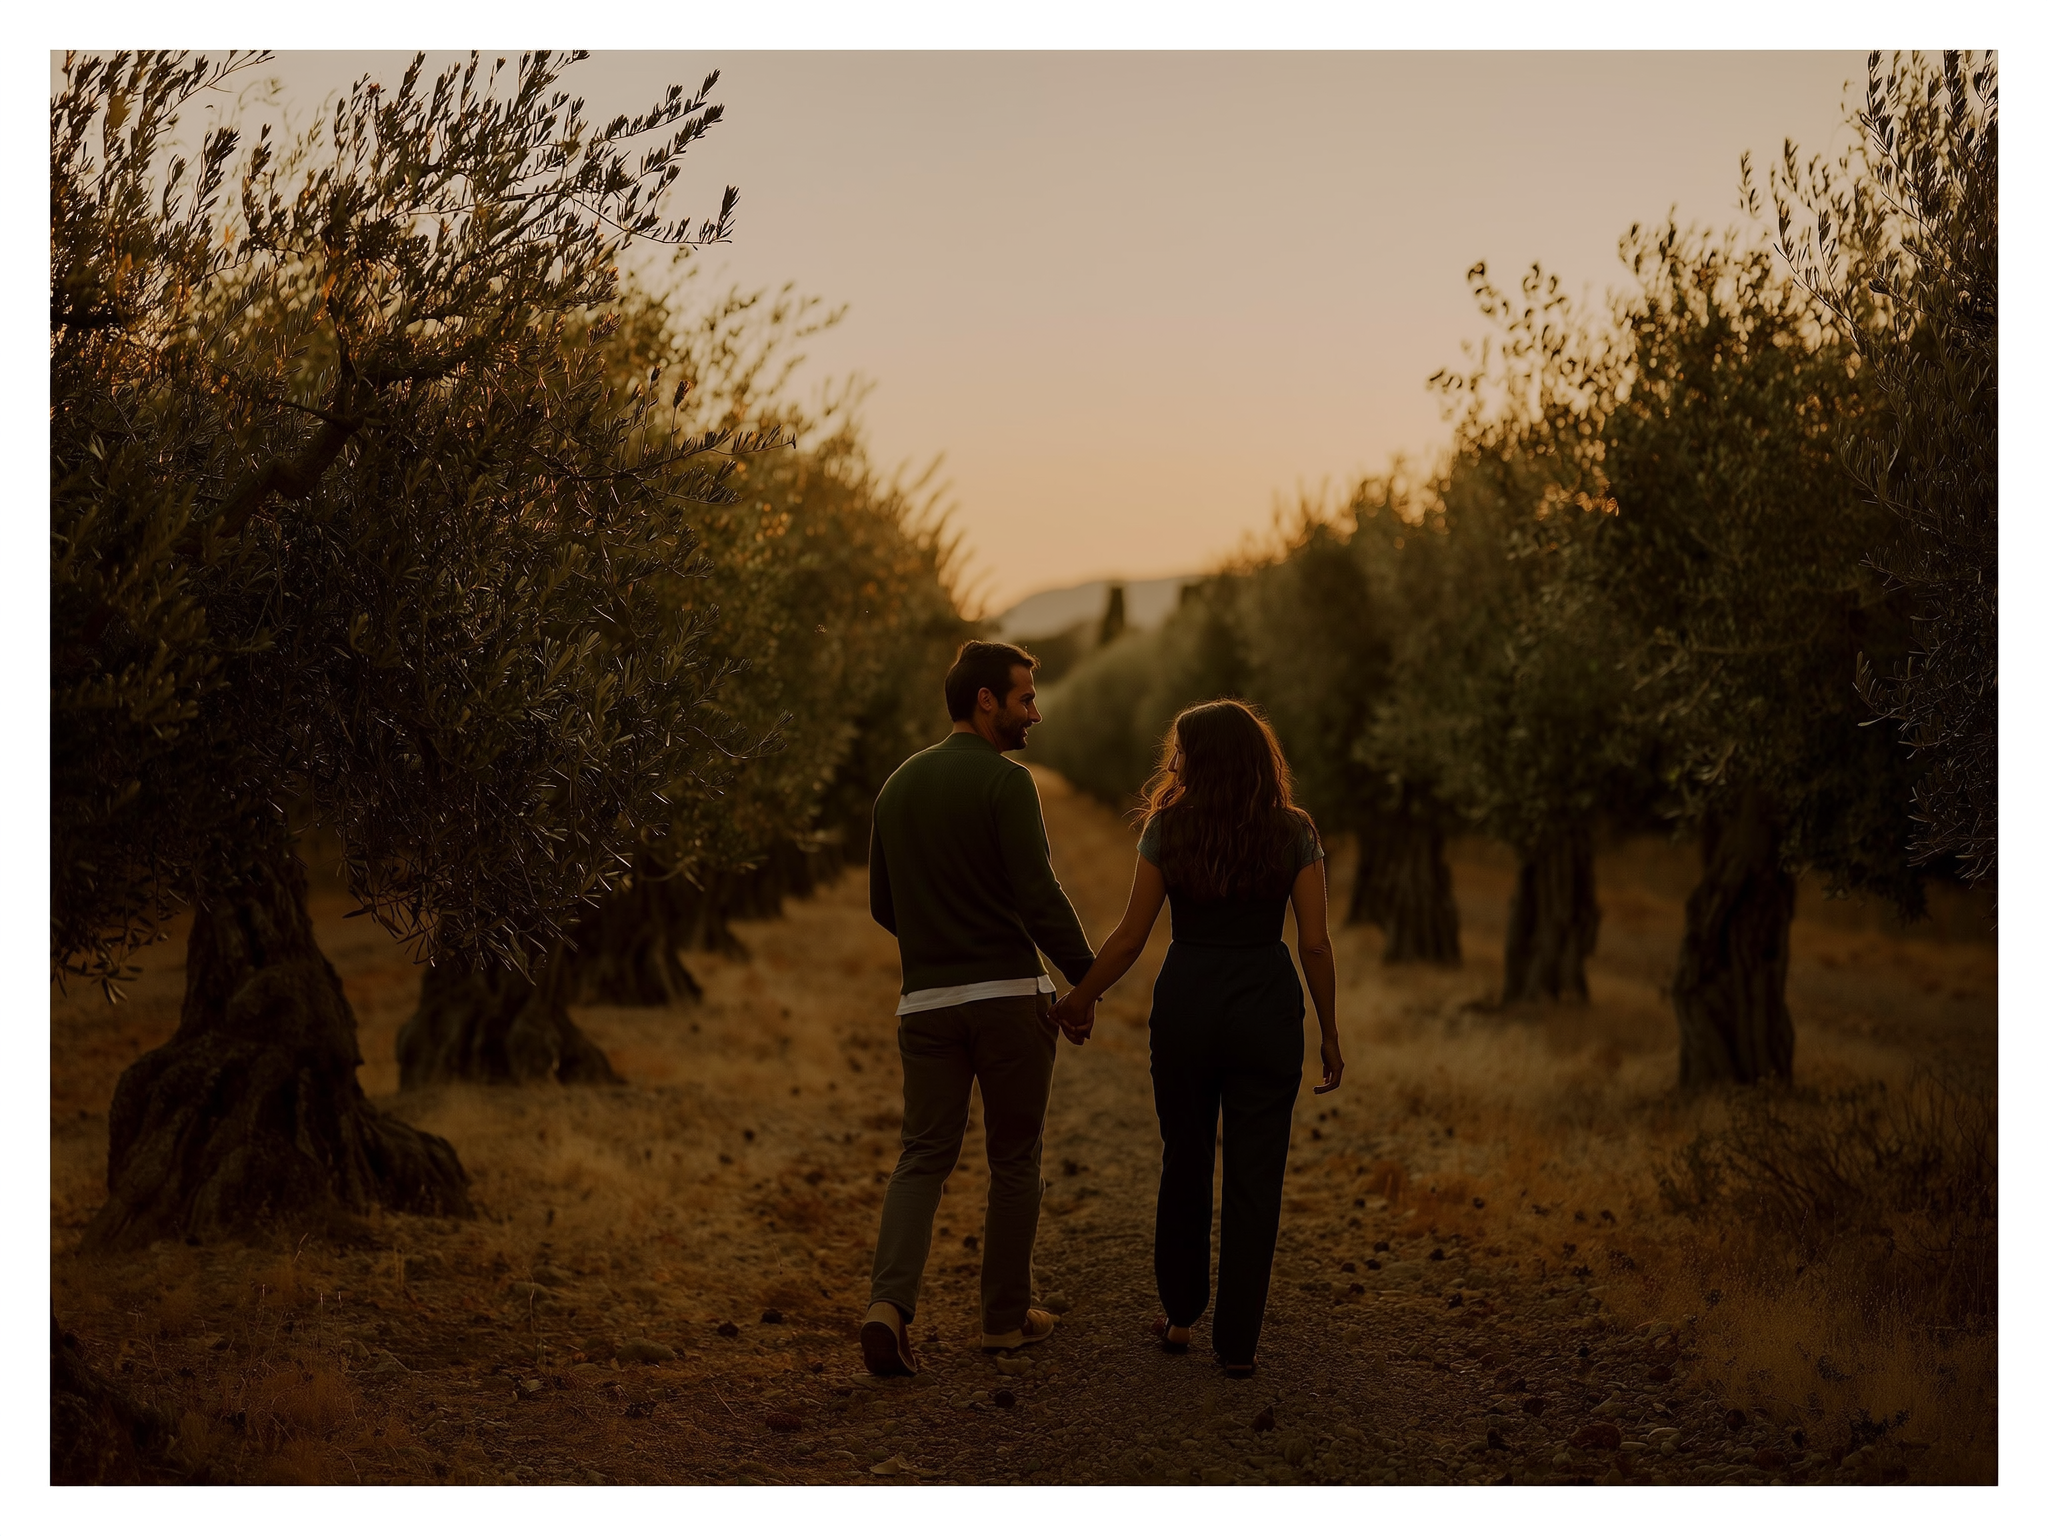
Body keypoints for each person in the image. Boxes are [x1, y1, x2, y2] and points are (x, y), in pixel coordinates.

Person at [1051, 699, 1341, 1378]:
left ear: (1202, 757)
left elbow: (1129, 938)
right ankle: (1237, 1343)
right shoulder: (1295, 830)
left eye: (1179, 749)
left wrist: (1077, 1001)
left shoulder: (1167, 829)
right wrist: (1329, 1031)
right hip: (1267, 1008)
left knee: (1184, 1158)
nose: (1171, 760)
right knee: (1255, 1175)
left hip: (1186, 1005)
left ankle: (1181, 1317)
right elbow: (1317, 945)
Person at [860, 640, 1099, 1377]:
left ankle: (887, 1307)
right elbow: (1039, 895)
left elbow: (882, 904)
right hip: (1006, 1002)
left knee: (922, 1155)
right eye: (1025, 697)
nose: (1036, 711)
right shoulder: (1008, 783)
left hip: (925, 1006)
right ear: (986, 700)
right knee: (1014, 1157)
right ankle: (1003, 1320)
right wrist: (1085, 980)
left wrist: (939, 941)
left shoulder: (897, 785)